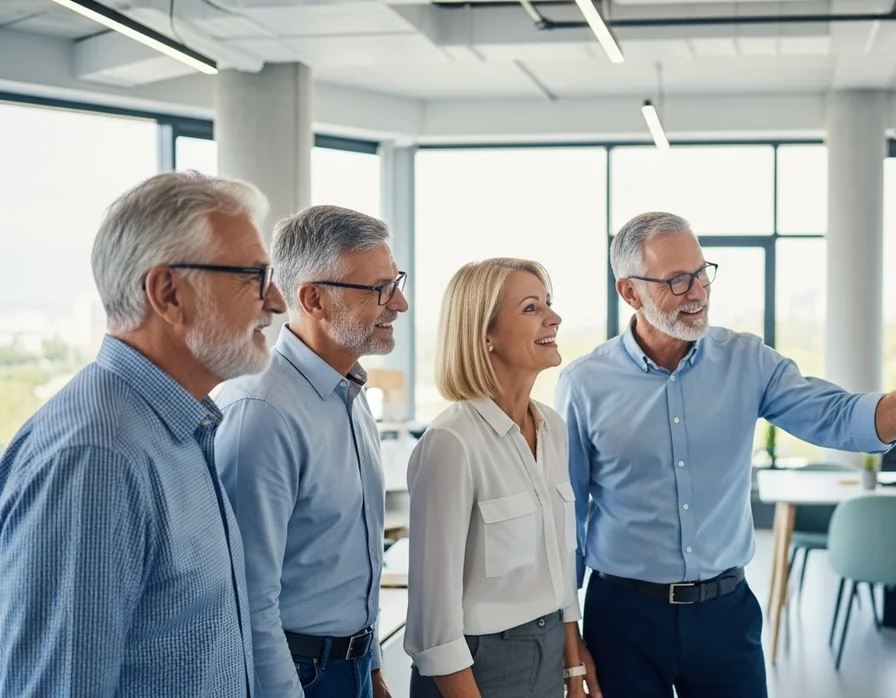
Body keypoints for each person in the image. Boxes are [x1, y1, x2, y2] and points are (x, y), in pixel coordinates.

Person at [555, 211, 896, 698]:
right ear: (630, 292)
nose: (697, 292)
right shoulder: (585, 384)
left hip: (724, 614)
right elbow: (564, 519)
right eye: (677, 280)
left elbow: (836, 415)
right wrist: (569, 638)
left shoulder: (747, 360)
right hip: (623, 618)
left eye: (701, 272)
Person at [0, 171, 286, 696]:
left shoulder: (178, 427)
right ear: (169, 293)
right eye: (255, 277)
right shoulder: (98, 458)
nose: (277, 302)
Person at [214, 205, 408, 698]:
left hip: (352, 665)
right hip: (299, 674)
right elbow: (248, 600)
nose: (400, 304)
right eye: (380, 289)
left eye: (396, 283)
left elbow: (354, 560)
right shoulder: (261, 413)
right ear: (314, 299)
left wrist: (372, 665)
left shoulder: (349, 393)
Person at [403, 258, 597, 698]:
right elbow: (434, 627)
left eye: (548, 303)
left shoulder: (553, 428)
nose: (554, 317)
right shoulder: (451, 442)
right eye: (531, 308)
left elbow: (560, 567)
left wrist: (572, 668)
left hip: (549, 652)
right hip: (478, 669)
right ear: (484, 334)